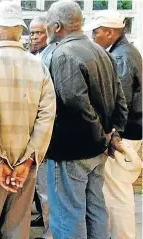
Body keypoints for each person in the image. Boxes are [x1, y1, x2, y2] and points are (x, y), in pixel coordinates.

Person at [0, 2, 57, 238]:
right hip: (23, 165)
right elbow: (47, 117)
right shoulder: (38, 65)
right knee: (16, 230)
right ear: (20, 32)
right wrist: (28, 161)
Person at [45, 1, 128, 238]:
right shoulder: (101, 50)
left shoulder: (63, 54)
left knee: (68, 213)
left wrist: (102, 136)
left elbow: (75, 103)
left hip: (73, 150)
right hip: (96, 147)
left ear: (57, 25)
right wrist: (112, 134)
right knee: (95, 208)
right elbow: (119, 99)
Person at [84, 10, 142, 239]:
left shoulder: (121, 57)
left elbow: (120, 101)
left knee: (117, 192)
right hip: (130, 130)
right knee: (117, 190)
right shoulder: (125, 51)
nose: (93, 36)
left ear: (110, 32)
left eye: (96, 32)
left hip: (124, 133)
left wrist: (111, 133)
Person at [28, 15, 56, 239]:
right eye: (32, 32)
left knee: (47, 189)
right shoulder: (34, 56)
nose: (34, 37)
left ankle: (50, 233)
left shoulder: (49, 56)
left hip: (46, 133)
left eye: (39, 32)